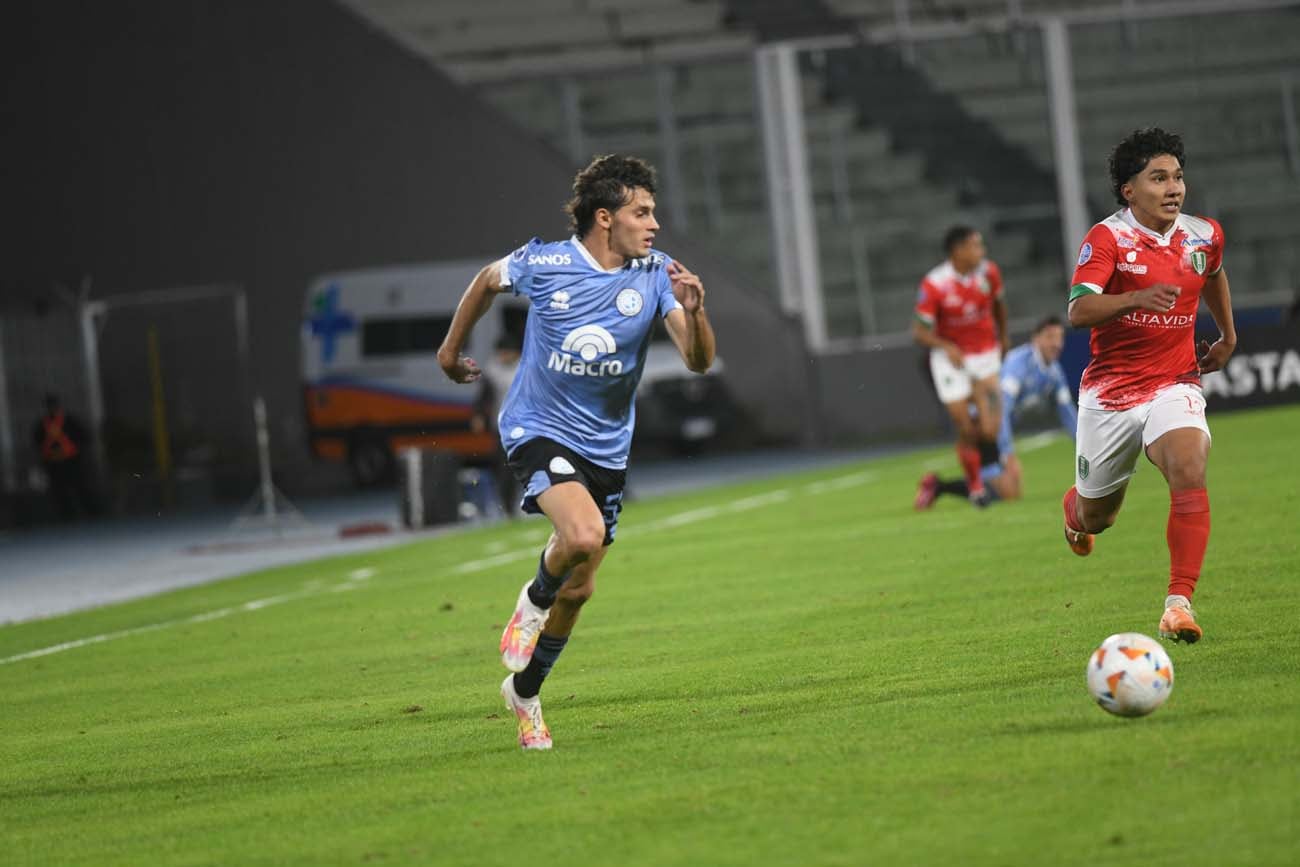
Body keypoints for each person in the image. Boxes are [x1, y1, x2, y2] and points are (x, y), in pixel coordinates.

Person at [437, 154, 716, 750]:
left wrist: (696, 313)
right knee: (583, 536)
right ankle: (531, 599)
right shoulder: (547, 262)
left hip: (607, 448)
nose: (655, 224)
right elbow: (487, 280)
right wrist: (448, 350)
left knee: (582, 589)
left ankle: (526, 692)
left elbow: (696, 360)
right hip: (537, 426)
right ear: (604, 217)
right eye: (642, 213)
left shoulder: (657, 273)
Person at [1061, 127, 1236, 644]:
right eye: (1158, 178)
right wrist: (1134, 299)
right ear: (1129, 190)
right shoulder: (1107, 238)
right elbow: (1079, 310)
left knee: (1189, 465)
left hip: (1174, 382)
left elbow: (1214, 272)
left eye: (1178, 177)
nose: (1174, 188)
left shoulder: (1203, 234)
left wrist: (1226, 335)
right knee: (1098, 518)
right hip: (1111, 394)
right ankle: (1073, 513)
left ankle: (1177, 603)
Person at [915, 314, 1077, 506]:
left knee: (1007, 492)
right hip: (982, 427)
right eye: (1050, 337)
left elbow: (1068, 413)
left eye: (1060, 337)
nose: (1056, 343)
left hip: (995, 429)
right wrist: (1006, 452)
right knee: (1007, 492)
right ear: (1036, 338)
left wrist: (1086, 449)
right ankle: (939, 486)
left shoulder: (1054, 372)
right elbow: (1001, 409)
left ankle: (938, 486)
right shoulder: (1019, 364)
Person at [912, 225, 1009, 507]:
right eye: (976, 246)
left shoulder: (989, 273)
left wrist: (1003, 336)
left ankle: (971, 473)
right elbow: (919, 331)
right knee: (965, 428)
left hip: (985, 356)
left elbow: (999, 306)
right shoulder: (935, 284)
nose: (982, 251)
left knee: (989, 431)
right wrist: (945, 346)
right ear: (958, 251)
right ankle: (977, 487)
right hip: (950, 361)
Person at [470, 334, 523, 517]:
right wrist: (478, 415)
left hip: (527, 424)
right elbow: (483, 396)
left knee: (529, 464)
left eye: (505, 352)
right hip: (501, 426)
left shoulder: (525, 366)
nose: (502, 356)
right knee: (504, 467)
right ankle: (508, 506)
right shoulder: (492, 370)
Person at [31, 393, 98, 520]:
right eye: (49, 406)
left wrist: (80, 452)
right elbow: (37, 443)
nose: (52, 409)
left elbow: (85, 437)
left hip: (72, 460)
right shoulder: (42, 425)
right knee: (60, 491)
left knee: (81, 487)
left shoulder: (69, 421)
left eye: (53, 406)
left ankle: (92, 513)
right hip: (53, 463)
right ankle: (67, 516)